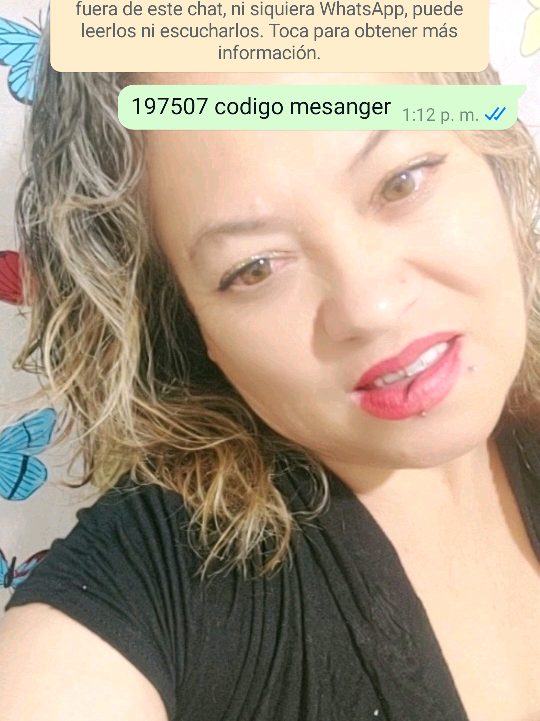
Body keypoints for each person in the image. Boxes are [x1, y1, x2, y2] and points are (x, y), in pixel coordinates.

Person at [1, 21, 540, 721]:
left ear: (490, 150)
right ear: (189, 323)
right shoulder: (157, 585)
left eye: (401, 182)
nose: (370, 306)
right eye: (254, 268)